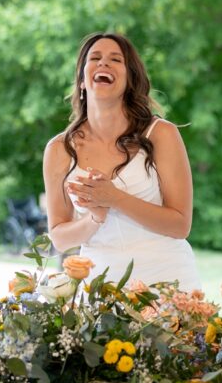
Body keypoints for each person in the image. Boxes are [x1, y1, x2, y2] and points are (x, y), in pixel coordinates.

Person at [43, 32, 201, 290]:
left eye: (115, 60)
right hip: (100, 285)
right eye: (95, 58)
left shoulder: (161, 134)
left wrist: (114, 198)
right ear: (82, 80)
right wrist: (94, 218)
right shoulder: (59, 149)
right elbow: (59, 238)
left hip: (167, 279)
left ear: (129, 80)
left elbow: (180, 225)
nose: (104, 63)